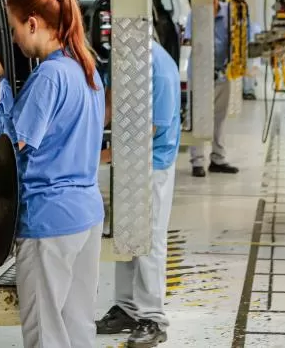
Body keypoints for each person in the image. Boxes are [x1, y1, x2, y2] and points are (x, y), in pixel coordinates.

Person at [0, 0, 105, 348]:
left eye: (15, 28)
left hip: (49, 222)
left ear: (33, 24)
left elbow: (9, 144)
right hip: (86, 214)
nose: (15, 39)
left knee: (45, 333)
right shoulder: (85, 69)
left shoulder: (49, 76)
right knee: (77, 326)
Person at [95, 40, 182, 347]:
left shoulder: (158, 69)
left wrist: (104, 154)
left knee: (148, 239)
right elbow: (108, 99)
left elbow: (153, 130)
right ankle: (127, 308)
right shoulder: (121, 59)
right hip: (129, 160)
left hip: (152, 163)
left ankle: (154, 318)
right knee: (126, 234)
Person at [183, 0, 239, 178]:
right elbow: (188, 38)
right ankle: (197, 162)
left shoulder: (229, 13)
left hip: (223, 73)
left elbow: (241, 34)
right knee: (196, 118)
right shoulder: (195, 14)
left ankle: (218, 159)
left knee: (220, 118)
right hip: (198, 74)